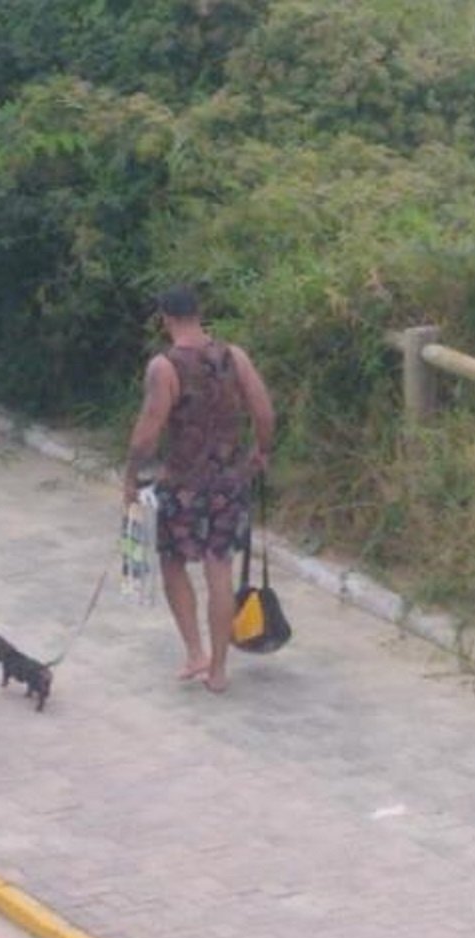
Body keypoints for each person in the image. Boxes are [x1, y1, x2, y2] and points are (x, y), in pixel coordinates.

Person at [124, 285, 276, 693]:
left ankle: (195, 652)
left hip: (184, 484)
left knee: (173, 563)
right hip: (229, 482)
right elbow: (263, 410)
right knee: (219, 569)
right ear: (199, 313)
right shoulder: (234, 357)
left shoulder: (165, 366)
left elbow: (149, 431)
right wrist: (261, 452)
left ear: (164, 318)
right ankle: (220, 670)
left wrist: (131, 476)